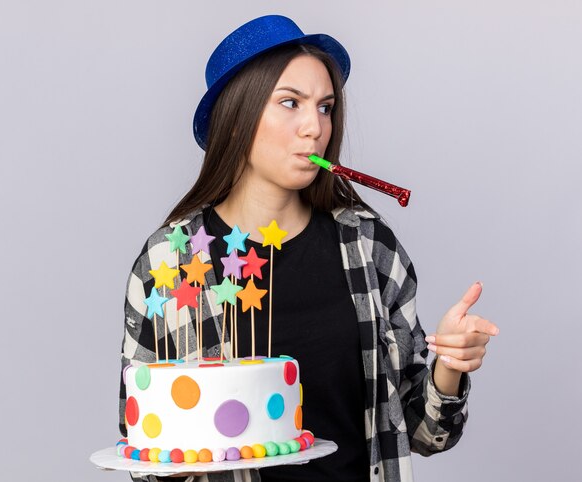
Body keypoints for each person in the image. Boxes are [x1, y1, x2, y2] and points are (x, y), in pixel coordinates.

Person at [119, 15, 499, 482]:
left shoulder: (369, 246)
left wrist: (450, 367)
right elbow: (143, 450)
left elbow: (423, 433)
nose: (314, 127)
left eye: (325, 107)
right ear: (236, 121)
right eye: (290, 103)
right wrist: (179, 460)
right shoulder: (168, 262)